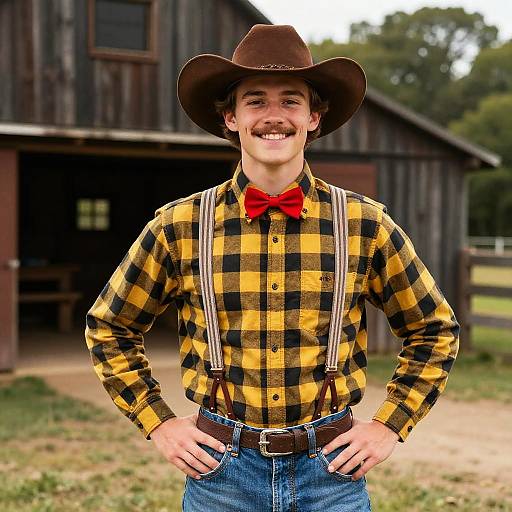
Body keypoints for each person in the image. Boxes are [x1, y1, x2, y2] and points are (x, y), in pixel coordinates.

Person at [85, 24, 460, 511]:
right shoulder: (179, 225)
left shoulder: (364, 223)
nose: (273, 116)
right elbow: (109, 326)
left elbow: (435, 329)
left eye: (291, 100)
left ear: (314, 118)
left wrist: (389, 425)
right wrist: (159, 422)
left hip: (331, 472)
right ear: (231, 118)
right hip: (221, 472)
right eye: (255, 100)